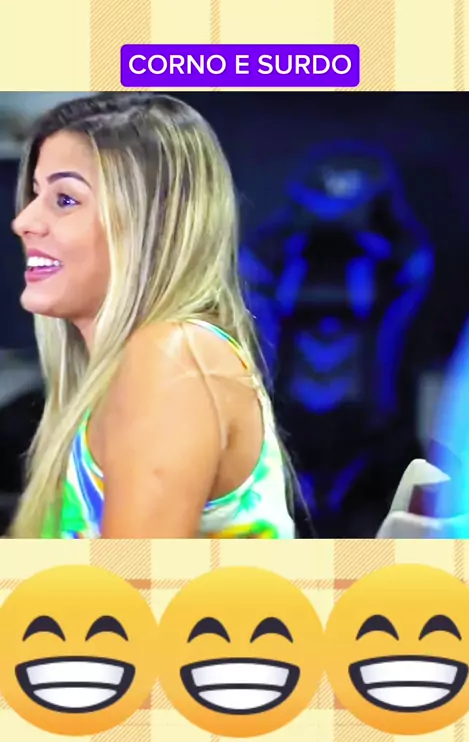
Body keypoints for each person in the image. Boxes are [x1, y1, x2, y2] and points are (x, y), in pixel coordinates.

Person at [8, 92, 296, 539]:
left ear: (149, 223)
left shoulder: (172, 355)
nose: (24, 222)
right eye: (34, 194)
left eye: (64, 200)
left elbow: (130, 584)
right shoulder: (132, 364)